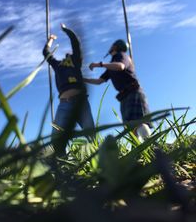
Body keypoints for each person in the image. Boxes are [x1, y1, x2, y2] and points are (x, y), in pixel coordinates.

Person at [83, 39, 152, 142]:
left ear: (115, 47)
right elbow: (99, 81)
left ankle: (153, 147)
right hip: (124, 96)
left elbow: (121, 66)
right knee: (130, 127)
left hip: (133, 92)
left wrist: (99, 64)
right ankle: (138, 152)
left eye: (112, 45)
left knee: (139, 122)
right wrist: (83, 79)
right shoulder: (111, 65)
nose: (110, 47)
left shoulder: (121, 55)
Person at [43, 24, 94, 154]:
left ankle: (95, 159)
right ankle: (62, 165)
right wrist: (51, 39)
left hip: (80, 102)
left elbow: (76, 43)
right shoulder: (58, 65)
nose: (67, 53)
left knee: (90, 132)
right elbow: (46, 53)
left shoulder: (76, 61)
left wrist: (67, 30)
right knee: (57, 136)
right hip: (64, 103)